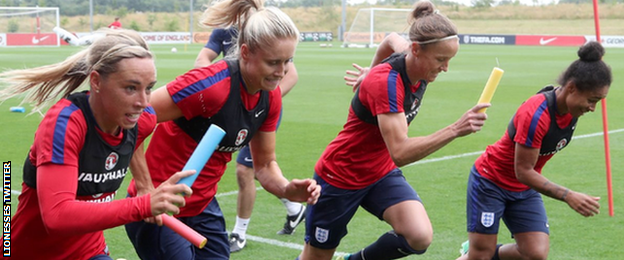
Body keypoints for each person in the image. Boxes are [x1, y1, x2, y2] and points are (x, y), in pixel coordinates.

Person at [123, 1, 321, 259]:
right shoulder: (210, 86)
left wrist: (286, 189)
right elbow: (133, 118)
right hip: (160, 207)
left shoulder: (270, 98)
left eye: (288, 61)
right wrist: (145, 189)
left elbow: (264, 164)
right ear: (246, 52)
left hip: (203, 206)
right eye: (273, 62)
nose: (281, 72)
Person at [299, 1, 489, 260]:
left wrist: (371, 69)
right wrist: (455, 128)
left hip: (380, 172)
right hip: (341, 175)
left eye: (449, 60)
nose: (445, 68)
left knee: (419, 236)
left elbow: (390, 40)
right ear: (416, 50)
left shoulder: (416, 61)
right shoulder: (387, 84)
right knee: (316, 257)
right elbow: (400, 151)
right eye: (441, 59)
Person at [1, 28, 194, 260]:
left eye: (149, 88)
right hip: (28, 252)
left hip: (89, 252)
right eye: (130, 88)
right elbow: (57, 216)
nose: (143, 102)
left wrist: (144, 184)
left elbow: (135, 139)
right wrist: (143, 205)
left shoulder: (141, 119)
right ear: (96, 81)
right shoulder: (64, 124)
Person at [456, 41, 611, 260]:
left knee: (534, 254)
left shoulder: (570, 111)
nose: (592, 108)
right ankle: (477, 251)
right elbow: (524, 170)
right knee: (481, 256)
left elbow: (525, 176)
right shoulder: (536, 114)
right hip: (491, 182)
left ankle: (480, 250)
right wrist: (568, 195)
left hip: (523, 188)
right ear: (572, 88)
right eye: (592, 100)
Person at [194, 17, 307, 254]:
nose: (281, 68)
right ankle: (294, 208)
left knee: (245, 170)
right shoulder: (223, 33)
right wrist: (210, 81)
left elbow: (291, 75)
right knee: (251, 168)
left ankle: (240, 233)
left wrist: (262, 101)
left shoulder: (269, 32)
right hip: (232, 105)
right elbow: (203, 58)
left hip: (255, 112)